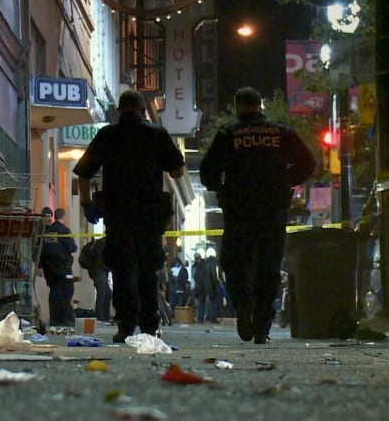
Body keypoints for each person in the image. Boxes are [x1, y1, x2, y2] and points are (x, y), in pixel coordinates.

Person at [199, 87, 316, 344]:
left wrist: (223, 188)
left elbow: (207, 172)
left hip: (239, 210)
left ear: (238, 105)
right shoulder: (282, 132)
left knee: (235, 262)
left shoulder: (228, 134)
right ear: (260, 106)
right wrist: (287, 180)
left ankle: (243, 305)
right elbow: (309, 164)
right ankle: (262, 326)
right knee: (269, 265)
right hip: (273, 208)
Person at [73, 89, 185, 342]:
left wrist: (86, 204)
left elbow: (83, 173)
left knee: (122, 268)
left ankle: (125, 324)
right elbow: (177, 171)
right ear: (144, 110)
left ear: (119, 110)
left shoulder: (108, 134)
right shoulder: (156, 134)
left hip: (117, 212)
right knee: (148, 269)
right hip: (149, 214)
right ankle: (148, 325)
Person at [39, 207, 78, 327]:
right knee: (67, 291)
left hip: (49, 269)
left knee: (54, 292)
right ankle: (65, 319)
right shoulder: (64, 231)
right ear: (63, 217)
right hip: (63, 267)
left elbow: (41, 250)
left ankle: (54, 319)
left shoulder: (46, 232)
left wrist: (40, 266)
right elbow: (72, 248)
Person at [83, 237, 113, 323]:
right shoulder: (102, 245)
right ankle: (99, 317)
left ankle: (105, 317)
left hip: (98, 270)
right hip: (97, 270)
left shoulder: (105, 244)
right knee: (102, 292)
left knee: (108, 293)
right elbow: (100, 261)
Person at [192, 251, 220, 324]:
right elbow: (213, 277)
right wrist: (216, 286)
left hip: (201, 288)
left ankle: (200, 319)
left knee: (201, 303)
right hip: (209, 288)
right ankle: (212, 319)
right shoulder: (211, 265)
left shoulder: (199, 266)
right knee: (211, 303)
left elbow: (195, 277)